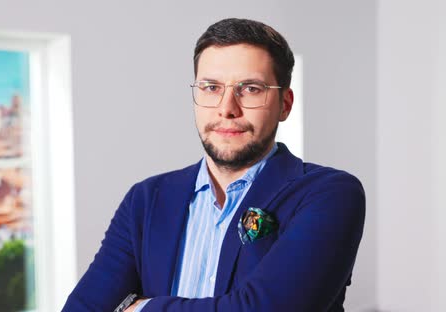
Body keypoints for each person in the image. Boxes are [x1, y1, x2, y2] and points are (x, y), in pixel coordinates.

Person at [62, 18, 365, 312]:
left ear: (285, 104)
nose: (226, 109)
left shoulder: (329, 193)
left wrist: (144, 308)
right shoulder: (146, 200)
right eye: (211, 88)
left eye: (251, 89)